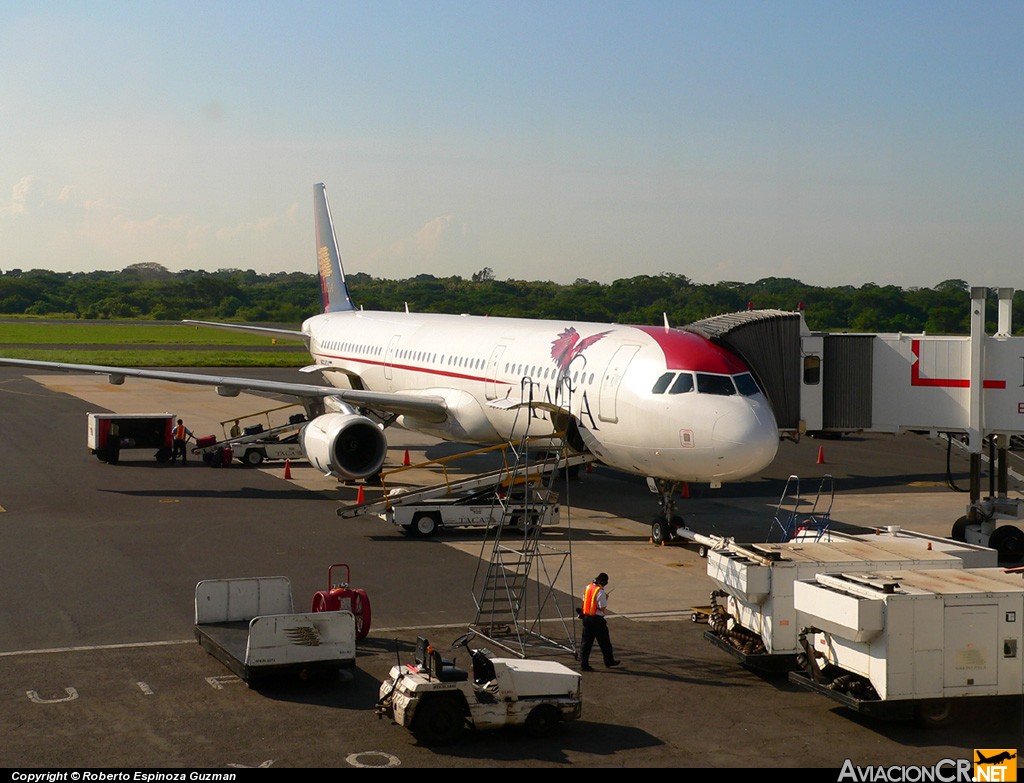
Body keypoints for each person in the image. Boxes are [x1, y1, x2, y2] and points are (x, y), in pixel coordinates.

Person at [579, 572, 620, 672]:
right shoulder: (600, 592)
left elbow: (585, 599)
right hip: (597, 620)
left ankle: (584, 664)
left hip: (587, 618)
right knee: (604, 642)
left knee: (586, 643)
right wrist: (605, 599)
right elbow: (602, 607)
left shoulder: (588, 587)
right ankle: (609, 661)